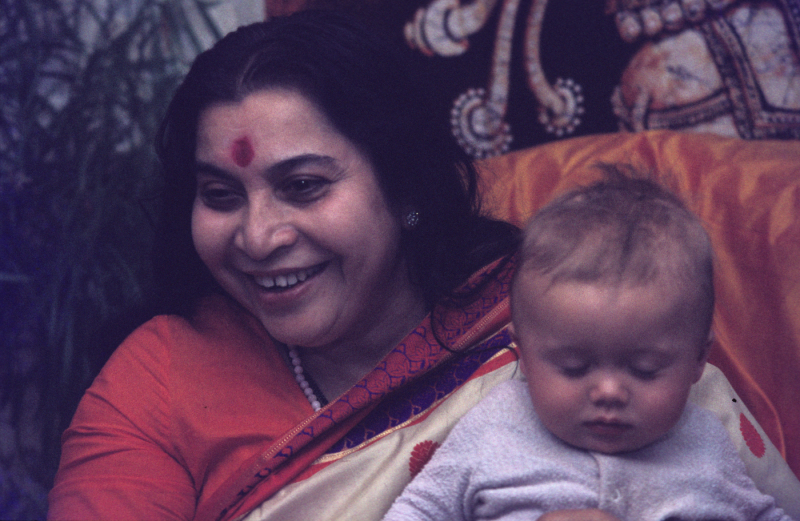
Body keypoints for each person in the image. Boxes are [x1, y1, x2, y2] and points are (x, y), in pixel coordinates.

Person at [48, 10, 528, 521]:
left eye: (302, 186)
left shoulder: (541, 315)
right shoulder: (162, 376)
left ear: (405, 183)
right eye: (219, 194)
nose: (257, 237)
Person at [383, 168, 794, 521]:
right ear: (523, 354)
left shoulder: (707, 440)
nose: (609, 392)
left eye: (645, 369)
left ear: (698, 360)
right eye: (575, 368)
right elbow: (416, 511)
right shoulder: (493, 425)